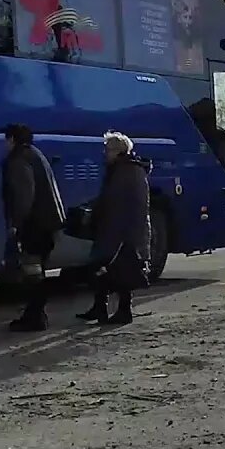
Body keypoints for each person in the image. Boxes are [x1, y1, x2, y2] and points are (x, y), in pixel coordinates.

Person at [77, 132, 151, 325]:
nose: (105, 153)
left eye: (108, 149)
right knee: (102, 268)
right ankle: (100, 307)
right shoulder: (121, 170)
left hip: (122, 231)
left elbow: (130, 205)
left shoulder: (127, 171)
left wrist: (126, 234)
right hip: (113, 228)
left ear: (118, 151)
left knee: (120, 271)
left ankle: (123, 311)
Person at [2, 124, 66, 331]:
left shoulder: (19, 160)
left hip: (34, 225)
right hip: (47, 223)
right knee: (37, 272)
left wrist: (16, 224)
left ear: (12, 139)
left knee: (32, 273)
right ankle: (34, 315)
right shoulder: (36, 155)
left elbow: (23, 195)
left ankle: (35, 317)